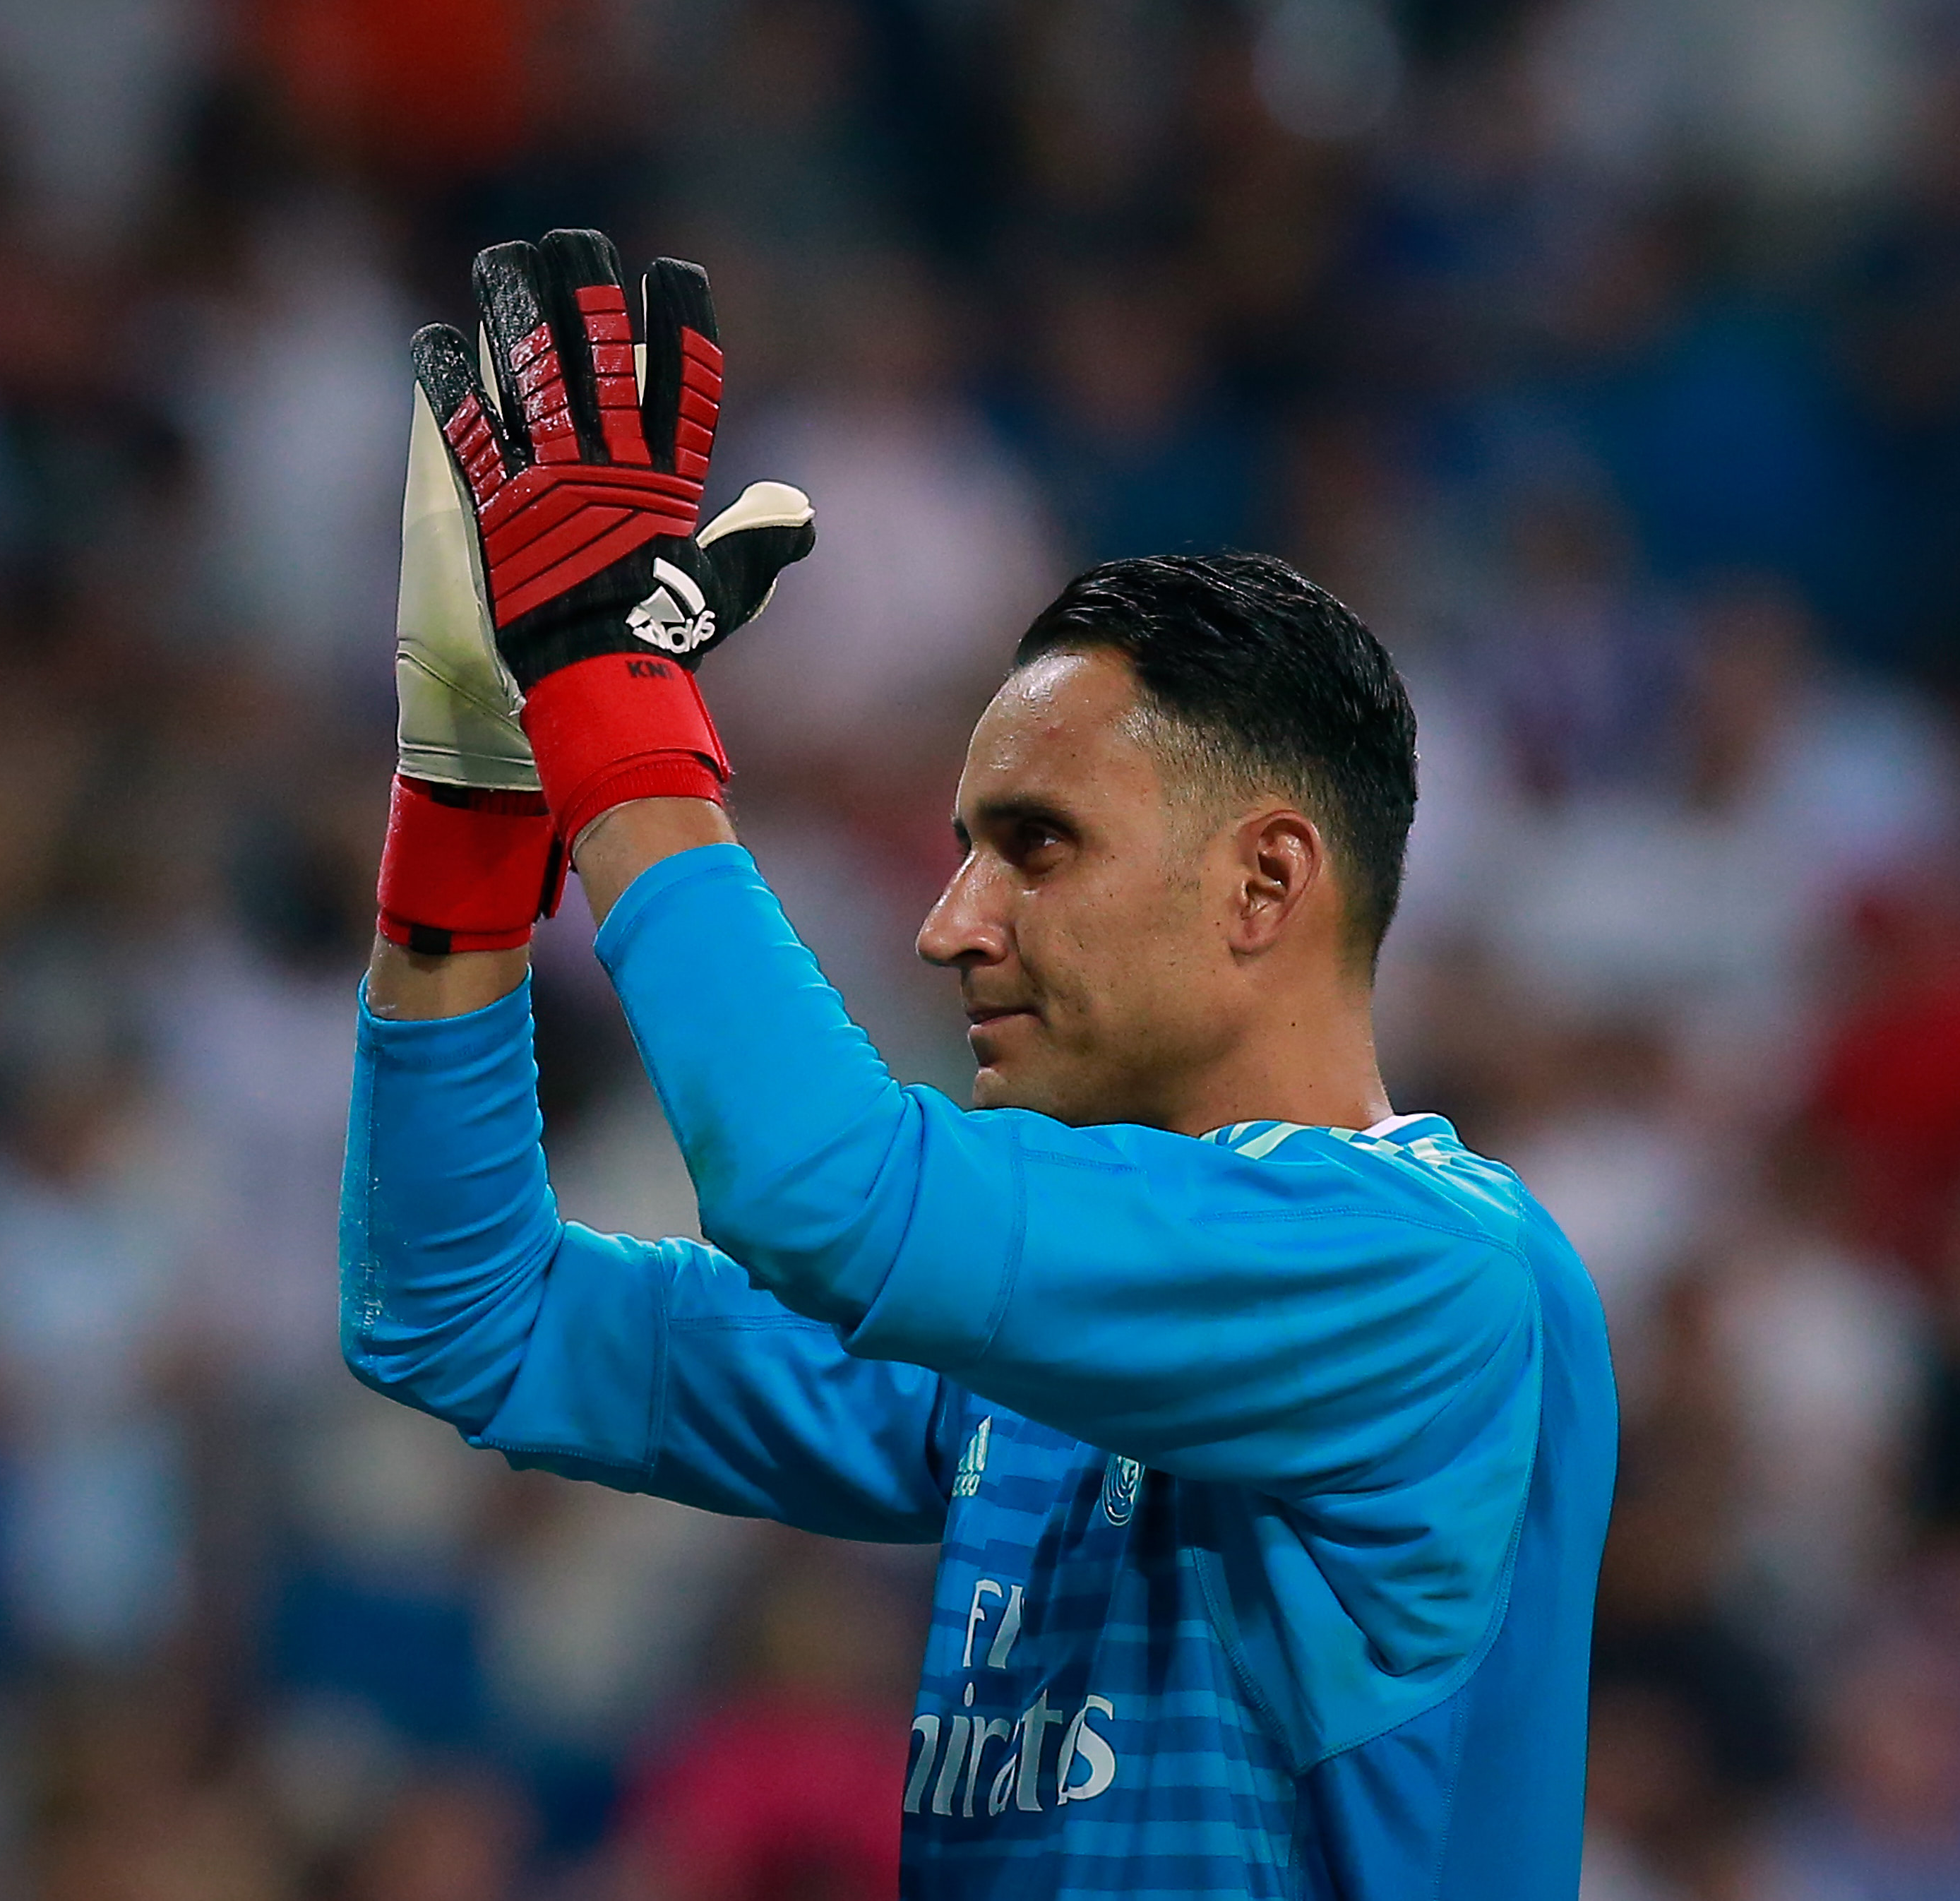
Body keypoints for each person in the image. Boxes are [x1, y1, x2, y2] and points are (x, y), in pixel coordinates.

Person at [338, 228, 1618, 1898]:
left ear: (1265, 880)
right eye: (963, 848)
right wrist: (474, 786)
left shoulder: (1434, 1273)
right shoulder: (1032, 1357)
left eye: (1035, 844)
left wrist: (603, 699)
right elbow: (462, 1316)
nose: (950, 924)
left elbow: (821, 1190)